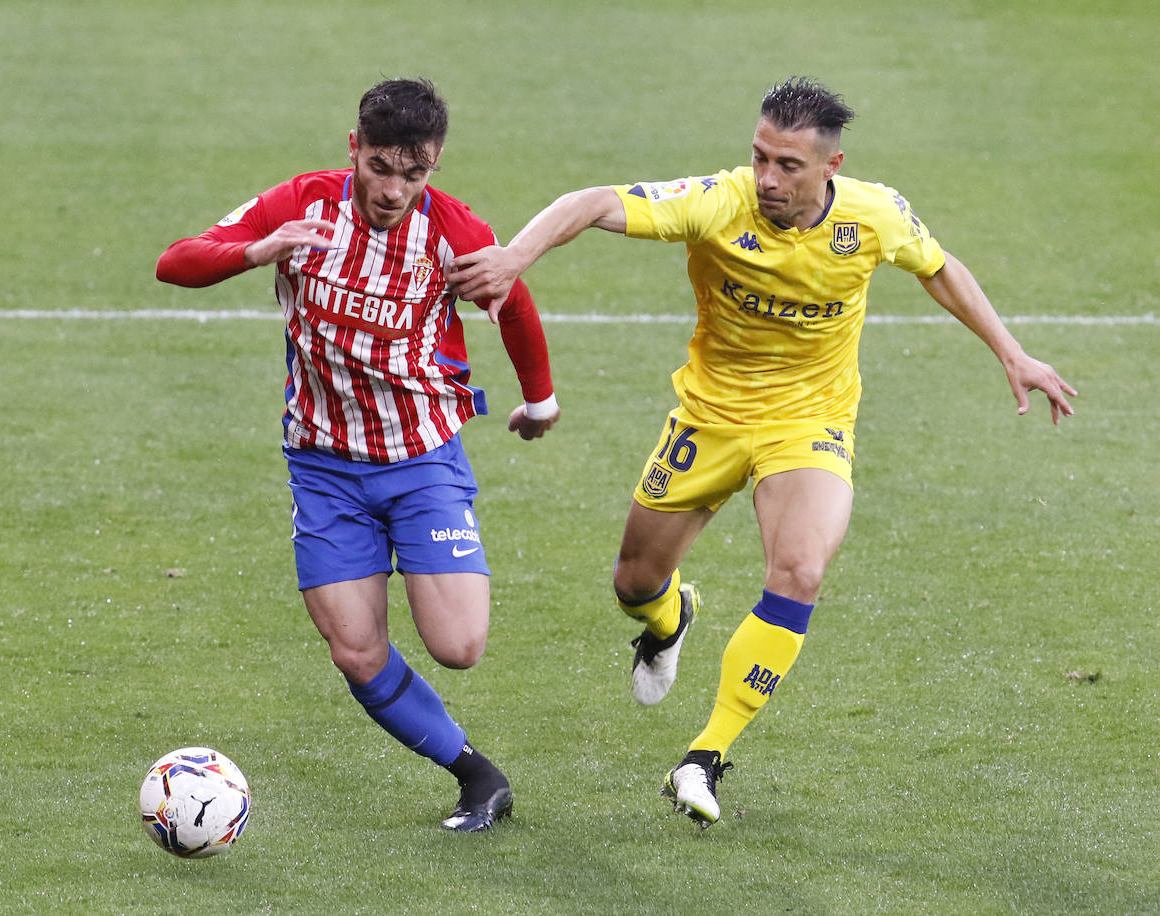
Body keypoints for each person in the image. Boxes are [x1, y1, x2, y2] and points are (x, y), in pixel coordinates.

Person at [448, 76, 1076, 830]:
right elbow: (594, 203)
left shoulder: (875, 215)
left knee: (800, 570)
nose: (768, 178)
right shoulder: (718, 201)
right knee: (634, 581)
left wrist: (1011, 351)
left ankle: (704, 755)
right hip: (709, 418)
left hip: (809, 422)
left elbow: (938, 265)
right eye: (760, 158)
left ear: (830, 167)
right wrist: (516, 255)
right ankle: (668, 621)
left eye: (787, 166)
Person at [157, 78, 560, 831]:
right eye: (381, 167)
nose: (395, 190)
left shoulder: (452, 230)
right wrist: (259, 250)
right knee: (355, 649)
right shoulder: (301, 203)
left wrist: (540, 401)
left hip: (419, 458)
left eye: (416, 173)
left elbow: (515, 300)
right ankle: (476, 775)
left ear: (433, 165)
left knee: (461, 646)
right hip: (323, 467)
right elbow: (175, 261)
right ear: (355, 149)